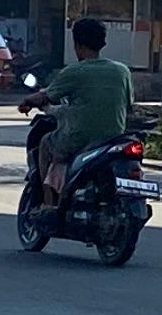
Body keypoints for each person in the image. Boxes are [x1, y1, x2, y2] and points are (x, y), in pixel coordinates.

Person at [28, 16, 134, 202]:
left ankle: (48, 202)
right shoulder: (122, 71)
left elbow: (45, 97)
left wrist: (27, 101)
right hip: (113, 139)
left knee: (45, 143)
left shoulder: (74, 71)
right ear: (102, 43)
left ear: (77, 44)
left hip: (79, 140)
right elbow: (129, 105)